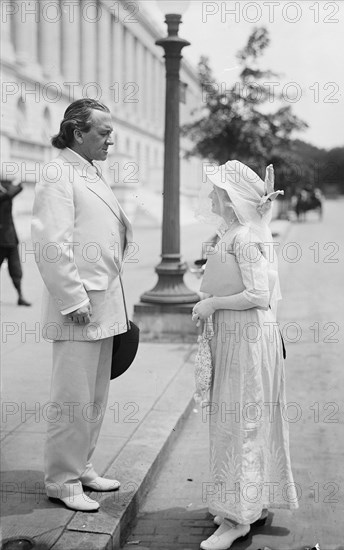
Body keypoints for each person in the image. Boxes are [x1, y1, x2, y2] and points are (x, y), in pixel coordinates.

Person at [31, 98, 133, 512]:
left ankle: (82, 465)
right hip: (79, 304)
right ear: (77, 131)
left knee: (94, 396)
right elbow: (50, 244)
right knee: (71, 397)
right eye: (104, 132)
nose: (112, 139)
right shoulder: (58, 172)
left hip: (104, 301)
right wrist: (73, 299)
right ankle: (62, 479)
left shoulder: (87, 170)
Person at [192, 161, 298, 550]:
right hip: (238, 334)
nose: (210, 196)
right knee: (235, 420)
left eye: (216, 191)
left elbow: (257, 294)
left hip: (249, 336)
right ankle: (241, 503)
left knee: (242, 422)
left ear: (230, 198)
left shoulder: (246, 236)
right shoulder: (236, 233)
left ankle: (238, 518)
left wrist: (212, 303)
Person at [0, 178, 31, 306]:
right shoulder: (4, 194)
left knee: (16, 270)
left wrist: (16, 183)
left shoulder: (3, 187)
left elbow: (16, 189)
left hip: (11, 239)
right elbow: (10, 193)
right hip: (1, 241)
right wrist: (16, 183)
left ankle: (20, 296)